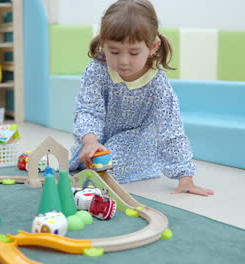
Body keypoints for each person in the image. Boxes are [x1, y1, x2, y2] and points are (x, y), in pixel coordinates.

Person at [69, 0, 214, 196]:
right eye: (114, 51)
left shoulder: (157, 84)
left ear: (153, 47)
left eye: (134, 52)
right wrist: (90, 141)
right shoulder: (97, 70)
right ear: (103, 43)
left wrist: (185, 176)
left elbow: (171, 129)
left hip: (136, 142)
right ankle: (92, 158)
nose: (123, 61)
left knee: (108, 165)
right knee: (85, 158)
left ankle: (106, 167)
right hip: (99, 136)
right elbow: (88, 109)